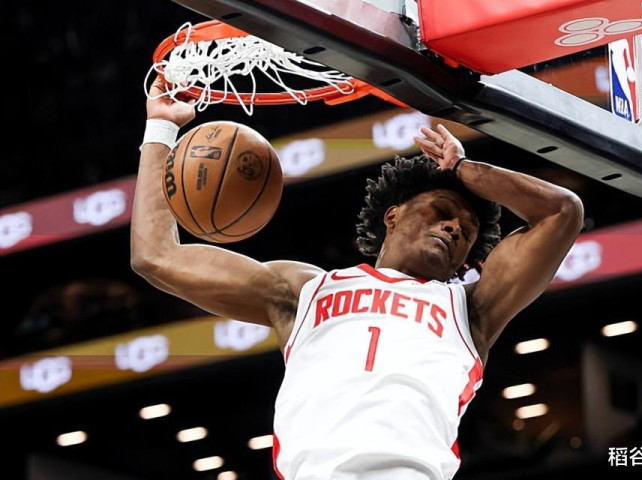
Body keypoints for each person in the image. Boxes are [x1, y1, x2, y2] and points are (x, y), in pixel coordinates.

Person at [131, 78, 584, 480]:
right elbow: (155, 256)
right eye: (443, 212)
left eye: (466, 234)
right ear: (393, 215)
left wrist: (464, 169)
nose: (453, 229)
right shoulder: (304, 291)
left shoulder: (470, 309)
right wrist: (161, 129)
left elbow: (561, 213)